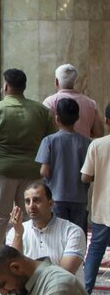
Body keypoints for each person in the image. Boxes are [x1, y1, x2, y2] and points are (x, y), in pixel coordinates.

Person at [0, 68, 54, 242]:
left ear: (5, 86)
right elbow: (50, 141)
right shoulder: (41, 111)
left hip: (2, 171)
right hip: (32, 171)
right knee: (31, 218)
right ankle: (29, 254)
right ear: (24, 86)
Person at [10, 181, 85, 278]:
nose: (31, 206)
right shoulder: (15, 232)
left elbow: (64, 275)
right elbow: (14, 271)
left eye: (36, 200)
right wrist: (18, 235)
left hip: (62, 286)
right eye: (28, 201)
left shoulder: (73, 232)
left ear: (50, 203)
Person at [37, 97, 91, 230]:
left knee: (57, 233)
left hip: (56, 196)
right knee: (77, 233)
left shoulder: (48, 141)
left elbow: (44, 171)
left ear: (57, 119)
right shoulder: (86, 142)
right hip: (79, 197)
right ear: (77, 118)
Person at [82, 105, 110, 293]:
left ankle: (85, 291)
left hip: (103, 208)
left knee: (96, 250)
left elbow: (85, 176)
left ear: (107, 121)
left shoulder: (97, 145)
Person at [43, 63, 104, 139]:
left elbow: (43, 130)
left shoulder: (49, 102)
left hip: (57, 146)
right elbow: (99, 132)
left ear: (56, 81)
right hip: (84, 145)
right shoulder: (91, 103)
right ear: (75, 81)